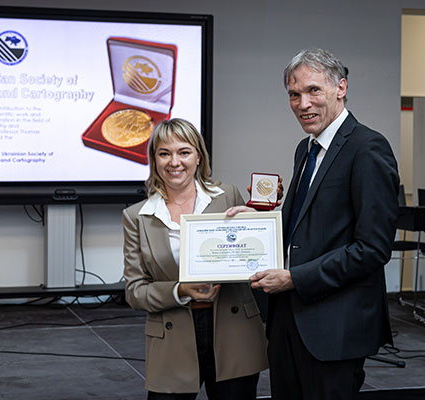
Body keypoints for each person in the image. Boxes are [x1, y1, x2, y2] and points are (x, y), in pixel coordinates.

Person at [229, 48, 400, 399]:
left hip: (334, 328)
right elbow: (306, 224)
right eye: (294, 94)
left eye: (313, 91)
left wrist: (294, 278)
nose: (303, 104)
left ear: (341, 87)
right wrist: (262, 221)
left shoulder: (368, 148)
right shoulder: (305, 149)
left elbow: (373, 249)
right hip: (288, 320)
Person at [123, 118, 269, 399]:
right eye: (164, 153)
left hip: (233, 331)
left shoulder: (228, 196)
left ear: (198, 156)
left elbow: (256, 256)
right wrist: (180, 290)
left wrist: (263, 218)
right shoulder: (136, 217)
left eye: (184, 152)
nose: (174, 162)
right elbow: (134, 291)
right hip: (172, 336)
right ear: (154, 159)